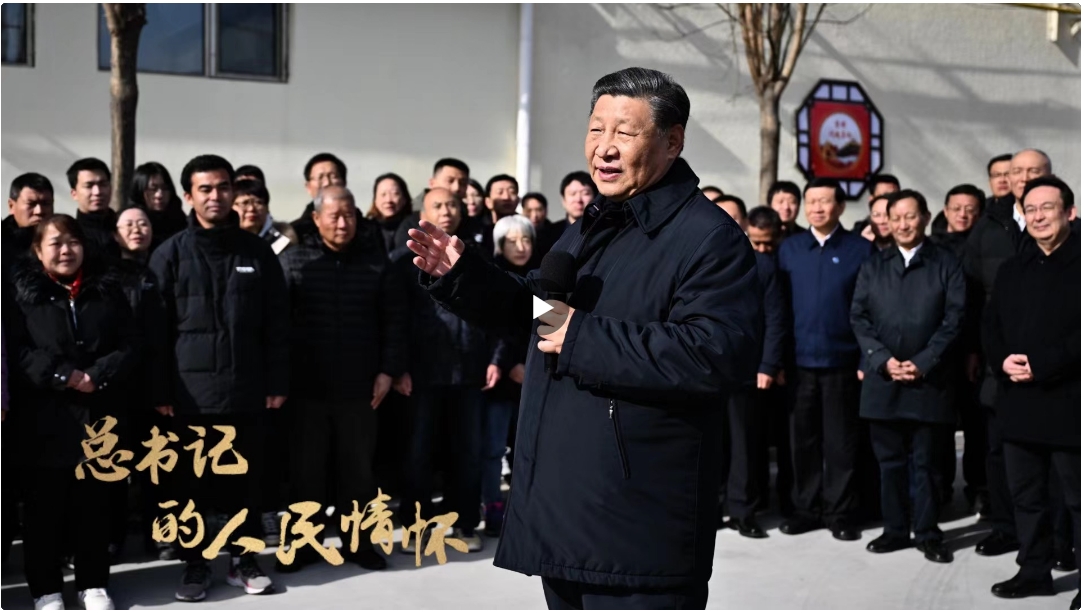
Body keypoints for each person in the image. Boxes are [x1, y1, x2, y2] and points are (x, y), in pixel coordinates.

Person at [407, 67, 761, 610]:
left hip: (637, 530)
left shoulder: (709, 238)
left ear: (673, 141)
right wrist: (465, 277)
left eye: (625, 132)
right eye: (596, 129)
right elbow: (542, 315)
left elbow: (716, 355)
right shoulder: (595, 224)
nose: (605, 147)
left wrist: (581, 338)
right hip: (568, 513)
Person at [149, 155, 289, 602]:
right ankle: (195, 564)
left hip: (246, 391)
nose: (215, 196)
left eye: (223, 187)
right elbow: (154, 332)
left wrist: (277, 381)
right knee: (190, 486)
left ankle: (244, 560)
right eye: (205, 189)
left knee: (246, 483)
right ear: (188, 196)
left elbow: (277, 324)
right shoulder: (169, 254)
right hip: (188, 397)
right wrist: (160, 389)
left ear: (233, 191)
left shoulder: (257, 253)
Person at [11, 214, 141, 611]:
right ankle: (46, 590)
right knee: (44, 509)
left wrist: (97, 375)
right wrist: (61, 375)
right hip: (44, 416)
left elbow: (128, 344)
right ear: (38, 251)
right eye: (55, 243)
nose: (65, 250)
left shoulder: (106, 290)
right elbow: (17, 351)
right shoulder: (21, 295)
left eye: (72, 242)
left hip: (98, 412)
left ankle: (93, 583)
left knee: (95, 505)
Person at [277, 186, 407, 572]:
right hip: (307, 387)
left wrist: (388, 370)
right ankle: (304, 543)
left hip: (360, 387)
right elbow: (277, 326)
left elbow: (395, 321)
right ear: (316, 219)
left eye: (349, 215)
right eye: (333, 215)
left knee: (358, 472)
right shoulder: (294, 262)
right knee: (306, 471)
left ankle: (359, 543)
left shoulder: (376, 263)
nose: (342, 223)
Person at [850, 190, 966, 564]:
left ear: (926, 218)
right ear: (886, 220)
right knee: (889, 463)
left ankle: (928, 532)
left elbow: (954, 318)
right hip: (883, 380)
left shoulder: (946, 263)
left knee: (927, 464)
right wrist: (882, 360)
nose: (903, 224)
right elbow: (859, 317)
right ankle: (895, 529)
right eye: (895, 217)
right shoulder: (874, 265)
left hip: (929, 381)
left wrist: (924, 361)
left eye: (910, 216)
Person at [983, 176, 1079, 607]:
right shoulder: (1012, 268)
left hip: (1070, 402)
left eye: (1048, 207)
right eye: (1031, 209)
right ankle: (1034, 570)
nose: (1039, 217)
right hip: (1019, 402)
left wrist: (1043, 365)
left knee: (1077, 500)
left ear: (1070, 213)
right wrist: (1002, 359)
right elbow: (990, 325)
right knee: (1027, 496)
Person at [391, 187, 497, 555]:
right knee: (418, 454)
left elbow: (496, 312)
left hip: (469, 371)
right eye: (438, 205)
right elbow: (396, 319)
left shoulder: (477, 256)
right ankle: (415, 527)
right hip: (422, 373)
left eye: (452, 204)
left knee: (466, 453)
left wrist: (495, 358)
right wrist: (398, 367)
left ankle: (463, 524)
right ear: (423, 212)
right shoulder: (403, 260)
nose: (447, 210)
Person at [962, 148, 1051, 559]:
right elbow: (971, 294)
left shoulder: (1065, 226)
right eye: (1018, 171)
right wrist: (974, 349)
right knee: (998, 448)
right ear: (1007, 179)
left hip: (1051, 358)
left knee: (1053, 452)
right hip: (996, 356)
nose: (1025, 177)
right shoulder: (988, 225)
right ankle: (1005, 527)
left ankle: (1058, 536)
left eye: (1034, 171)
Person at [777, 178, 875, 541]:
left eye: (824, 201)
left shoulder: (860, 250)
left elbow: (869, 309)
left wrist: (866, 358)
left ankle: (840, 511)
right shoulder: (789, 249)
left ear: (841, 207)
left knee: (841, 442)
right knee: (801, 441)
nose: (816, 208)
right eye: (811, 201)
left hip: (842, 362)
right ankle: (806, 508)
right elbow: (778, 308)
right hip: (799, 363)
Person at [713, 196, 788, 539]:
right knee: (711, 443)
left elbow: (775, 318)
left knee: (745, 444)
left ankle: (743, 511)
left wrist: (768, 364)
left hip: (746, 369)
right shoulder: (699, 257)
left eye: (733, 217)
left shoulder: (762, 264)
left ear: (743, 222)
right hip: (706, 366)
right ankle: (712, 508)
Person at [112, 206, 175, 561]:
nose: (137, 229)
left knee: (157, 466)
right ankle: (113, 535)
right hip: (118, 386)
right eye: (128, 224)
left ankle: (162, 534)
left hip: (157, 385)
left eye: (143, 223)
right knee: (114, 467)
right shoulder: (106, 273)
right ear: (115, 233)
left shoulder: (164, 266)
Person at [929, 183, 987, 511]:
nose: (963, 214)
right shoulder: (931, 247)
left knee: (976, 424)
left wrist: (974, 348)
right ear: (946, 210)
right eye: (957, 208)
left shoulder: (984, 247)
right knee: (939, 425)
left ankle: (978, 487)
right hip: (936, 350)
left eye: (970, 209)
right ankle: (939, 489)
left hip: (972, 348)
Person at [482, 214, 536, 537]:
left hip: (533, 377)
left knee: (527, 450)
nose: (520, 246)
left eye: (526, 239)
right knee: (493, 448)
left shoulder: (541, 278)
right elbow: (491, 328)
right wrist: (509, 363)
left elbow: (545, 325)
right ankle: (492, 507)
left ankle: (524, 510)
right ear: (499, 245)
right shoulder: (490, 277)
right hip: (499, 379)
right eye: (512, 241)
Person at [67, 158, 120, 260]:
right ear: (74, 194)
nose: (97, 192)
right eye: (89, 186)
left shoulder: (124, 227)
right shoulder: (71, 233)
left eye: (103, 184)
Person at [128, 162, 187, 251]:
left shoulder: (182, 222)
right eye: (153, 189)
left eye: (165, 188)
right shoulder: (129, 223)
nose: (159, 195)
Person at [291, 152, 347, 242]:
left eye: (333, 176)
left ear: (344, 183)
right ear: (308, 187)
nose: (327, 183)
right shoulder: (294, 234)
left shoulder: (366, 230)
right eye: (320, 178)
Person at [232, 179, 297, 255]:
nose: (251, 208)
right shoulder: (224, 242)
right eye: (245, 203)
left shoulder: (283, 243)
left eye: (258, 202)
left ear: (267, 208)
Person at [4, 172, 55, 261]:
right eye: (31, 204)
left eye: (45, 203)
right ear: (11, 206)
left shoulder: (65, 240)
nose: (39, 211)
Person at [366, 173, 413, 253]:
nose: (388, 200)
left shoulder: (415, 226)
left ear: (404, 199)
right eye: (383, 194)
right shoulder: (365, 230)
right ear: (375, 200)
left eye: (395, 194)